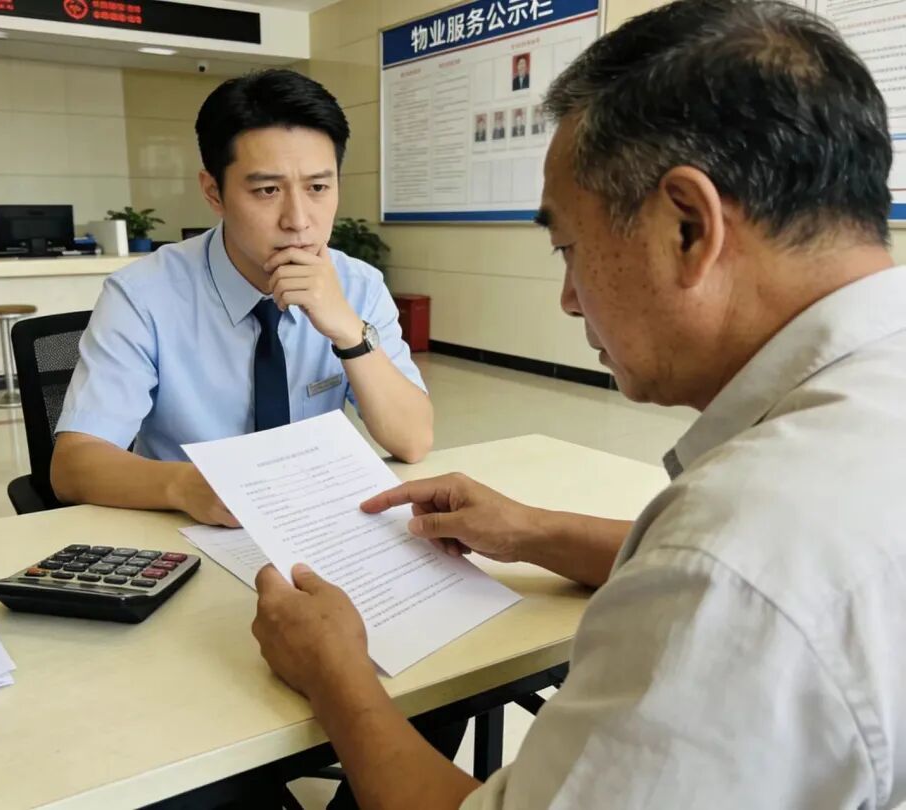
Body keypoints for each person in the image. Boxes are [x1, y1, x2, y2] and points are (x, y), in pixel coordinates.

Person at [251, 0, 906, 807]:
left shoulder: (737, 558)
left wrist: (333, 672)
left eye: (568, 247)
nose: (568, 298)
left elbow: (731, 573)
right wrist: (531, 531)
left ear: (688, 227)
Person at [52, 69, 433, 525]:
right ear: (213, 192)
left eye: (318, 187)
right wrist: (185, 486)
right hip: (186, 527)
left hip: (314, 524)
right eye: (267, 190)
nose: (298, 220)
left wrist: (349, 332)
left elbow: (413, 441)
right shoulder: (143, 296)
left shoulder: (358, 285)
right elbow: (73, 464)